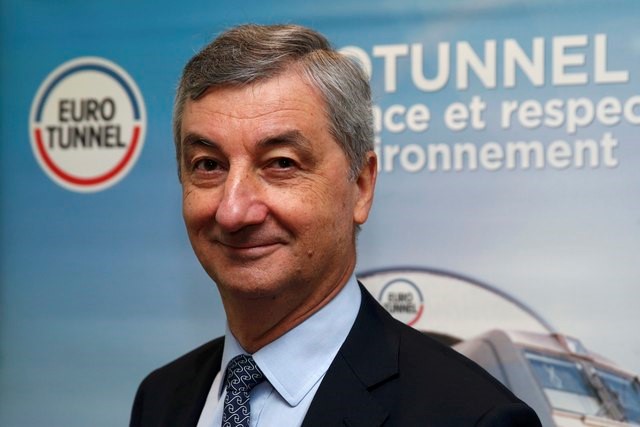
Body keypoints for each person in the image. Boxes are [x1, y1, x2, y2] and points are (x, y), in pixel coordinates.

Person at [130, 24, 541, 427]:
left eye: (281, 164)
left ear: (360, 186)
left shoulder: (472, 417)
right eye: (209, 165)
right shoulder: (163, 398)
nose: (233, 211)